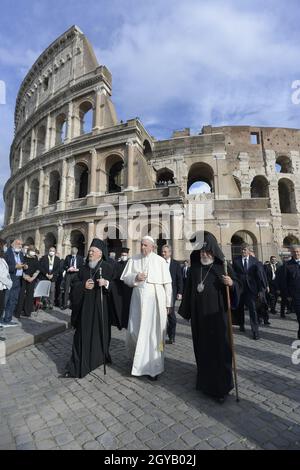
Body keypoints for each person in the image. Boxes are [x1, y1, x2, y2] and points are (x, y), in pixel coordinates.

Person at [179, 232, 241, 403]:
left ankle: (221, 387)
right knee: (202, 350)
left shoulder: (223, 268)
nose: (203, 254)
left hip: (218, 318)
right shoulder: (195, 269)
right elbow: (189, 291)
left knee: (220, 350)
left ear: (213, 251)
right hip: (200, 319)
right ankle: (205, 383)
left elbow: (238, 287)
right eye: (200, 251)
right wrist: (187, 312)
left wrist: (231, 284)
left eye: (206, 251)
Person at [120, 236, 172, 380]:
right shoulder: (134, 259)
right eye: (141, 245)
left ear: (152, 247)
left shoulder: (160, 261)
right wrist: (136, 277)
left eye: (145, 245)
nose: (142, 247)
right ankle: (136, 360)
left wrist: (168, 304)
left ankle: (154, 367)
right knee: (134, 331)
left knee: (154, 335)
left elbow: (167, 284)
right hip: (137, 301)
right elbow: (126, 278)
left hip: (156, 302)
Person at [64, 238, 114, 378]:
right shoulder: (84, 269)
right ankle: (77, 366)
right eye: (89, 251)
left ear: (100, 254)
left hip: (101, 310)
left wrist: (107, 283)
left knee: (100, 336)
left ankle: (99, 358)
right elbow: (74, 286)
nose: (90, 253)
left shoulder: (107, 267)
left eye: (93, 251)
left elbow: (116, 288)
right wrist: (83, 286)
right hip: (85, 311)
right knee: (81, 337)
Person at [232, 244, 265, 339]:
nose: (243, 251)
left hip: (251, 289)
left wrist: (260, 290)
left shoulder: (254, 261)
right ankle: (241, 324)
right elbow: (234, 274)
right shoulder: (236, 261)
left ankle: (255, 331)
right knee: (239, 307)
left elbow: (258, 276)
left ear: (249, 251)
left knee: (253, 310)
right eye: (242, 250)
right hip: (240, 288)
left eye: (245, 250)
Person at [2, 239, 27, 327]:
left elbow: (22, 263)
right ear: (13, 244)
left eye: (21, 244)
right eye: (18, 243)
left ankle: (8, 319)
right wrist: (15, 266)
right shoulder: (6, 253)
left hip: (18, 279)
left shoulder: (20, 253)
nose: (20, 245)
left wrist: (24, 266)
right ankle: (1, 319)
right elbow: (3, 266)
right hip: (9, 278)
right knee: (5, 300)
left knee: (13, 300)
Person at [161, 245, 183, 344]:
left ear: (170, 253)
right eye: (162, 251)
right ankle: (160, 335)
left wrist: (179, 292)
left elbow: (179, 279)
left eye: (165, 252)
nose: (163, 253)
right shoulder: (159, 262)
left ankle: (172, 336)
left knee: (170, 314)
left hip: (172, 293)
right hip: (160, 291)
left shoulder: (176, 264)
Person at [281, 245, 300, 339]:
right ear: (291, 253)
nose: (296, 253)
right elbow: (284, 281)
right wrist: (288, 295)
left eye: (298, 251)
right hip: (296, 295)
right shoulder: (287, 265)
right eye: (294, 252)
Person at [15, 246, 40, 318]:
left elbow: (38, 269)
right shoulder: (23, 257)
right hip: (24, 278)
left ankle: (27, 312)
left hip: (32, 279)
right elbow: (21, 268)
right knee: (21, 295)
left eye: (34, 251)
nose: (33, 252)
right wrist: (25, 276)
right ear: (28, 251)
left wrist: (32, 278)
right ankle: (18, 312)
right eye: (32, 250)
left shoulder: (35, 258)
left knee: (30, 295)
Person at [0, 239, 12, 322]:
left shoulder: (2, 258)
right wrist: (9, 283)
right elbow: (1, 275)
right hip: (2, 284)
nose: (5, 247)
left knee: (1, 307)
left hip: (3, 286)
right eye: (4, 245)